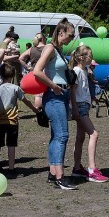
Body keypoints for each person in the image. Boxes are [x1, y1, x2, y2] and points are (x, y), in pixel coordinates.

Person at [32, 18, 78, 190]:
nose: (71, 38)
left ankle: (53, 172)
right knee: (62, 136)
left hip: (61, 95)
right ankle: (60, 176)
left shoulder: (59, 51)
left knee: (56, 135)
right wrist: (54, 86)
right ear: (60, 33)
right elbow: (37, 71)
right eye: (70, 35)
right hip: (54, 96)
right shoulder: (50, 48)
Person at [68, 45, 108, 182]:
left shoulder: (84, 71)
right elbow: (73, 90)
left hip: (84, 105)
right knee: (94, 133)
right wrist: (74, 108)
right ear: (82, 57)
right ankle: (92, 168)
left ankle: (77, 167)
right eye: (90, 56)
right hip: (79, 106)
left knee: (80, 137)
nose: (92, 58)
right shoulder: (77, 71)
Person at [0, 60, 39, 172]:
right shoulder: (15, 88)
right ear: (13, 76)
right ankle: (12, 167)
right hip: (12, 121)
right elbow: (25, 100)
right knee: (11, 145)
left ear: (0, 74)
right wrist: (34, 110)